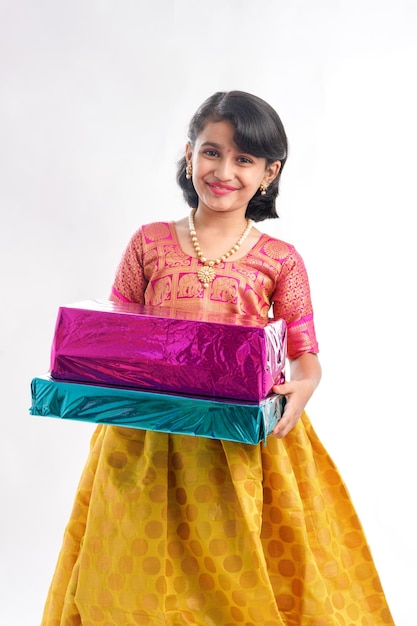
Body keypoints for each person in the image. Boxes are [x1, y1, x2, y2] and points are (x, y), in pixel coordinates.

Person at [41, 91, 394, 625]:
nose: (223, 171)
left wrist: (302, 388)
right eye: (212, 152)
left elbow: (305, 355)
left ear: (269, 173)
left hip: (242, 448)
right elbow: (116, 334)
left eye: (244, 159)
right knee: (136, 565)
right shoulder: (149, 243)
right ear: (189, 156)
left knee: (238, 568)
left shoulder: (280, 260)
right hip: (146, 441)